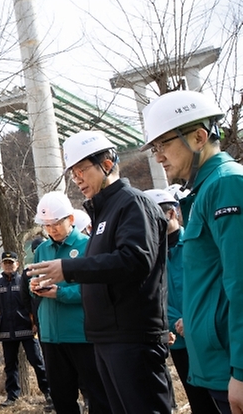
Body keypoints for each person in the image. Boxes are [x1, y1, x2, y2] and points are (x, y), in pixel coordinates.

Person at [27, 130, 172, 414]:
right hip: (107, 337)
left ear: (106, 164)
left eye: (82, 170)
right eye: (73, 173)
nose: (77, 179)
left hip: (132, 336)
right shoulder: (104, 212)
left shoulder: (132, 203)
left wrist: (68, 269)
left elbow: (134, 260)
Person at [142, 90, 243, 414]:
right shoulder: (206, 191)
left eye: (164, 145)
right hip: (216, 365)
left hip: (230, 367)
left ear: (199, 137)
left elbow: (240, 284)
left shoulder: (226, 185)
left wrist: (240, 371)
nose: (158, 157)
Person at [31, 192, 110, 414]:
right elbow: (34, 283)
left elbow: (95, 289)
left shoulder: (89, 245)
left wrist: (61, 294)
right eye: (47, 225)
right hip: (50, 337)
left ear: (71, 220)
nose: (52, 229)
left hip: (81, 335)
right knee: (61, 397)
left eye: (56, 223)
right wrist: (35, 289)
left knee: (97, 395)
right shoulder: (42, 250)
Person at [144, 188, 219, 414]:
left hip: (207, 336)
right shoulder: (152, 255)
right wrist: (175, 321)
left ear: (172, 214)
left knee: (220, 397)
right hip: (178, 338)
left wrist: (192, 320)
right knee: (198, 400)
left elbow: (213, 287)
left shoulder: (198, 244)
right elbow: (155, 295)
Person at [0, 250, 52, 410]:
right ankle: (12, 396)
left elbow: (33, 304)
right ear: (2, 264)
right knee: (10, 365)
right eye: (6, 263)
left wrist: (36, 323)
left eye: (11, 263)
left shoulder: (25, 282)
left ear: (17, 264)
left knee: (37, 362)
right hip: (6, 331)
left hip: (26, 329)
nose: (8, 266)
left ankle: (49, 393)